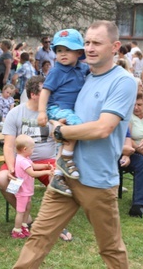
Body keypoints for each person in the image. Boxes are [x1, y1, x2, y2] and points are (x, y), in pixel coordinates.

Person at [13, 20, 136, 268]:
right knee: (39, 237)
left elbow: (103, 127)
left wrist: (60, 131)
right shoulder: (83, 76)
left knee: (110, 248)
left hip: (97, 179)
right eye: (87, 42)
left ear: (115, 47)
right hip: (64, 175)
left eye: (96, 43)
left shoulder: (123, 81)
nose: (90, 48)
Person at [0, 76, 72, 242]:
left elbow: (63, 141)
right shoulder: (16, 113)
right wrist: (10, 168)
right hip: (21, 162)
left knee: (57, 178)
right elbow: (8, 146)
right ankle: (25, 216)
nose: (49, 95)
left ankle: (55, 223)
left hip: (47, 160)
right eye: (45, 92)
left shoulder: (53, 113)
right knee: (2, 179)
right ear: (33, 94)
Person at [37, 28, 90, 197]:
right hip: (57, 108)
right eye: (59, 50)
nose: (63, 54)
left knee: (65, 139)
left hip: (71, 109)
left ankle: (58, 176)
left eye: (68, 50)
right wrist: (41, 112)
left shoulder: (83, 69)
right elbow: (45, 91)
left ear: (79, 52)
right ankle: (66, 160)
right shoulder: (57, 71)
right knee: (77, 127)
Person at [11, 134, 53, 239]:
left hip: (27, 190)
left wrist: (45, 166)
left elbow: (33, 166)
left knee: (28, 207)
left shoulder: (25, 158)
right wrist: (47, 172)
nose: (33, 150)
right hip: (22, 191)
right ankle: (17, 229)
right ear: (25, 149)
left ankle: (24, 225)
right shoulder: (23, 161)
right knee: (21, 211)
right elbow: (32, 173)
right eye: (32, 148)